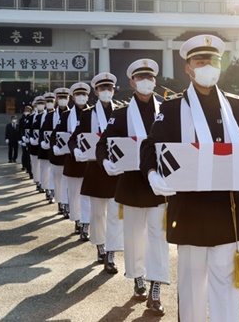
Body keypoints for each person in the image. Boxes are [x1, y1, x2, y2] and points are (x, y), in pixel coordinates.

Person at [140, 34, 239, 322]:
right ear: (188, 67)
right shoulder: (172, 109)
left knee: (226, 287)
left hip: (227, 210)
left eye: (212, 60)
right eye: (200, 61)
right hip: (189, 211)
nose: (207, 66)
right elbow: (149, 146)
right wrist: (151, 173)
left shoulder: (237, 107)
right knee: (191, 286)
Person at [97, 59, 168, 315]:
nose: (146, 81)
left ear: (155, 81)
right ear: (131, 82)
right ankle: (139, 279)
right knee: (134, 237)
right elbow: (103, 143)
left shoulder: (167, 109)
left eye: (149, 77)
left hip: (160, 185)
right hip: (133, 186)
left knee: (158, 238)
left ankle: (156, 287)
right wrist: (105, 161)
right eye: (140, 78)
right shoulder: (122, 112)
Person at [68, 73, 123, 273]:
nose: (106, 92)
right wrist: (76, 150)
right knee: (98, 214)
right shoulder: (88, 114)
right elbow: (74, 138)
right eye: (102, 89)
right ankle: (100, 245)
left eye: (109, 88)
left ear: (114, 91)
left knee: (116, 215)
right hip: (96, 170)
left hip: (117, 170)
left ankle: (111, 253)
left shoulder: (122, 112)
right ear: (96, 92)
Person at [58, 82, 92, 239]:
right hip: (72, 160)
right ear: (73, 97)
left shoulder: (93, 114)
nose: (81, 97)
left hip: (89, 161)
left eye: (84, 94)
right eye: (78, 95)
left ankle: (85, 223)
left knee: (86, 195)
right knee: (74, 194)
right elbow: (56, 135)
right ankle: (77, 219)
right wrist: (57, 146)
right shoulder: (65, 116)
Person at [46, 87, 71, 214]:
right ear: (56, 100)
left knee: (67, 180)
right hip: (56, 153)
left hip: (69, 154)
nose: (62, 100)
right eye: (60, 98)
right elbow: (48, 133)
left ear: (68, 99)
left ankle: (66, 203)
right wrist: (52, 145)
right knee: (57, 179)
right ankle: (60, 201)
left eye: (64, 98)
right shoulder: (50, 116)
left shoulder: (73, 114)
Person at [37, 92, 57, 202]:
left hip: (56, 147)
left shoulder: (58, 115)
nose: (50, 103)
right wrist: (42, 142)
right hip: (45, 147)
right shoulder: (41, 115)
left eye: (51, 101)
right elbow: (41, 130)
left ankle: (53, 191)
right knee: (45, 170)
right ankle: (46, 188)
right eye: (48, 101)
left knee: (55, 171)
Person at [19, 105, 33, 177]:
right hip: (24, 138)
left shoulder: (32, 117)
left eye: (29, 110)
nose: (27, 111)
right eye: (26, 110)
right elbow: (20, 129)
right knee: (24, 153)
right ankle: (25, 165)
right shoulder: (22, 119)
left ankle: (29, 169)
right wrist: (21, 138)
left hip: (31, 138)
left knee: (29, 154)